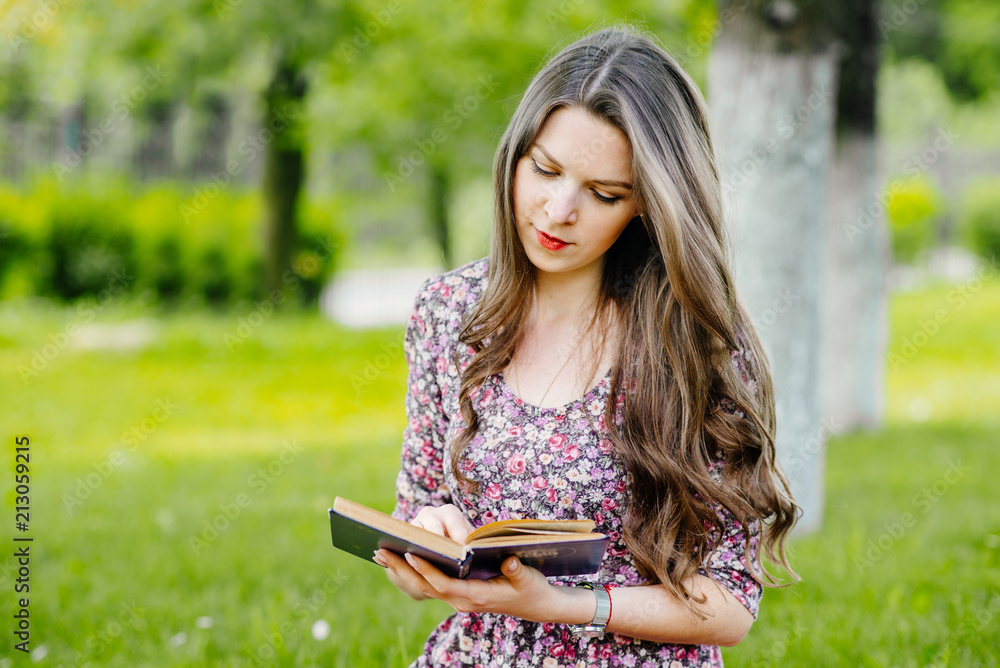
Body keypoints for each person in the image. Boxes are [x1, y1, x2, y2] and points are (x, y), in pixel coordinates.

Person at [373, 24, 800, 668]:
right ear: (514, 154)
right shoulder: (449, 312)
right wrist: (427, 545)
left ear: (649, 209)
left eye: (604, 194)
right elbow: (418, 509)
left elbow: (731, 605)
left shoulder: (695, 338)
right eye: (544, 169)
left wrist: (565, 605)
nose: (557, 209)